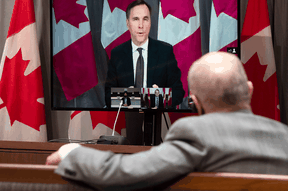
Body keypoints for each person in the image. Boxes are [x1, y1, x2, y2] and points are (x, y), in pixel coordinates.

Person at [46, 52, 288, 191]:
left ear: (195, 101)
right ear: (249, 89)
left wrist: (72, 152)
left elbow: (125, 174)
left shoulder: (195, 133)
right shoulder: (284, 135)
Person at [105, 0, 184, 108]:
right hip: (126, 118)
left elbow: (178, 92)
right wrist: (128, 98)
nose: (141, 25)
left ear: (150, 22)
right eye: (136, 19)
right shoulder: (117, 54)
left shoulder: (165, 51)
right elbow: (108, 96)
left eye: (145, 19)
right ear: (128, 24)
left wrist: (158, 97)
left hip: (156, 119)